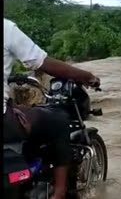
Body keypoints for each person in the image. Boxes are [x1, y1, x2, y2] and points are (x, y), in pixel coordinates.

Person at [3, 18, 100, 199]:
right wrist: (87, 76)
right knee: (58, 119)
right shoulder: (6, 29)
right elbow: (42, 62)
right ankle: (60, 191)